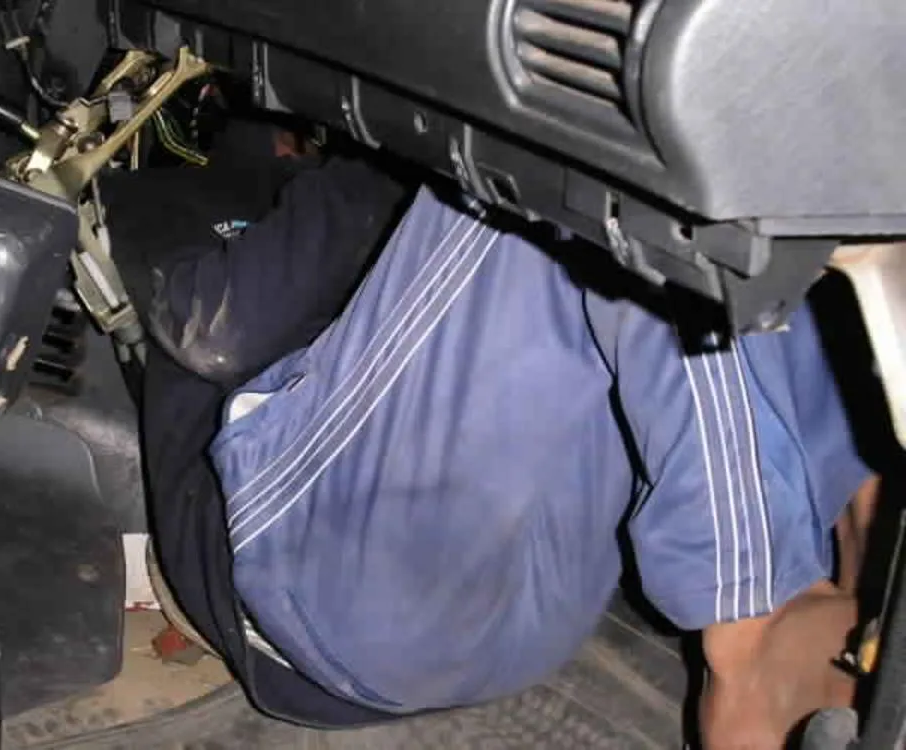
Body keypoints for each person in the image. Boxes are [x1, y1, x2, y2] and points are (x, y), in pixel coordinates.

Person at [112, 122, 879, 749]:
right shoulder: (291, 192)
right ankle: (767, 619)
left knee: (600, 141)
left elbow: (214, 322)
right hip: (414, 602)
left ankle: (765, 621)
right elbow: (211, 324)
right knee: (663, 164)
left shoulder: (359, 190)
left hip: (378, 586)